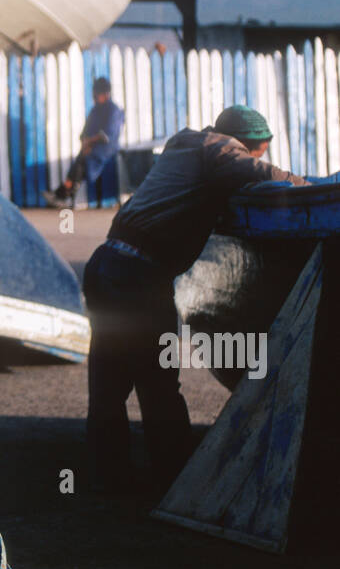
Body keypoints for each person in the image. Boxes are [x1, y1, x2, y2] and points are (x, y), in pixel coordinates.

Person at [82, 104, 309, 495]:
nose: (258, 158)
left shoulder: (185, 146)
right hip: (138, 277)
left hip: (106, 264)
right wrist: (313, 187)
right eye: (260, 151)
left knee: (109, 380)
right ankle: (177, 482)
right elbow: (266, 177)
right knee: (158, 382)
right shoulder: (218, 151)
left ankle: (108, 474)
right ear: (249, 144)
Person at [43, 76, 124, 208]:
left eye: (97, 94)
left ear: (105, 94)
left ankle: (62, 194)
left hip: (106, 150)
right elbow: (86, 131)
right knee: (80, 161)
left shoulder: (113, 110)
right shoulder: (95, 110)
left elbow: (108, 135)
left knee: (82, 162)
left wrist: (89, 142)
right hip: (92, 147)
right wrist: (85, 142)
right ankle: (63, 194)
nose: (95, 97)